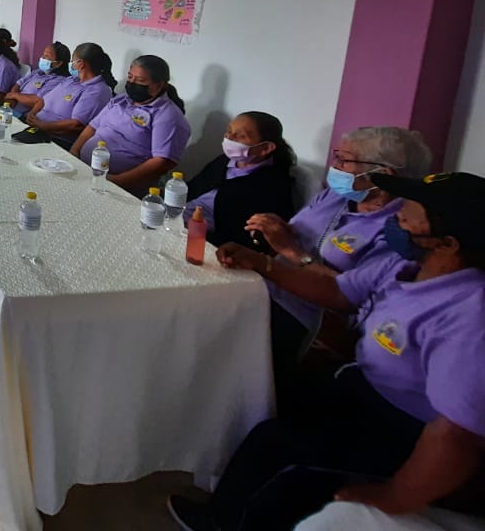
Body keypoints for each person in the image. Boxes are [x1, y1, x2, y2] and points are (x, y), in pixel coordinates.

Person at [167, 171, 485, 531]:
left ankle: (228, 523)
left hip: (402, 425)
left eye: (411, 213)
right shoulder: (407, 264)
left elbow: (457, 435)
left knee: (286, 459)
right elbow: (338, 292)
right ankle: (224, 509)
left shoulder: (470, 314)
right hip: (358, 382)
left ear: (447, 244)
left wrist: (397, 496)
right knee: (264, 416)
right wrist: (263, 264)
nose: (398, 215)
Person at [244, 126, 433, 403]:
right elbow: (297, 233)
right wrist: (275, 229)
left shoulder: (399, 230)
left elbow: (351, 297)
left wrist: (292, 251)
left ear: (384, 174)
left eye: (345, 160)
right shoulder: (336, 195)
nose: (335, 166)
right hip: (266, 288)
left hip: (307, 321)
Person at [70, 54, 190, 197]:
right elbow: (92, 127)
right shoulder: (121, 100)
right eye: (130, 77)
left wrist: (117, 181)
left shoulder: (168, 116)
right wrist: (74, 152)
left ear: (158, 85)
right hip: (85, 171)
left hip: (119, 187)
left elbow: (162, 162)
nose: (132, 83)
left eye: (140, 80)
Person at [186, 111, 298, 250]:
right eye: (229, 131)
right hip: (182, 218)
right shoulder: (224, 161)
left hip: (204, 240)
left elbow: (243, 238)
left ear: (266, 148)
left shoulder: (272, 187)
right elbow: (190, 189)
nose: (229, 138)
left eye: (241, 136)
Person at [17, 41, 116, 147]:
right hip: (36, 127)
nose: (71, 64)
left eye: (72, 60)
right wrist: (32, 114)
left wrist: (43, 125)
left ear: (81, 64)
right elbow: (43, 100)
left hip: (55, 138)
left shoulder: (97, 91)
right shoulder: (71, 80)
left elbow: (75, 124)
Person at [4, 41, 71, 121]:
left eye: (46, 56)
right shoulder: (39, 71)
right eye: (43, 54)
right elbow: (18, 84)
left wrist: (15, 96)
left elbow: (37, 101)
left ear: (58, 63)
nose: (42, 57)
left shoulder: (58, 81)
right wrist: (13, 99)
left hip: (24, 116)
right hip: (13, 107)